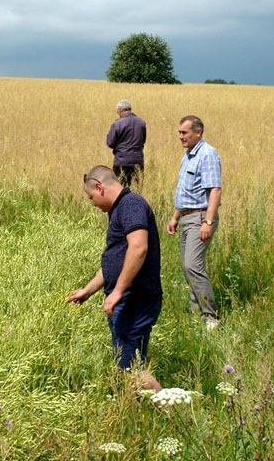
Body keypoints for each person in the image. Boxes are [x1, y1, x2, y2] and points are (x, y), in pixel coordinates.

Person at [68, 166, 163, 391]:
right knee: (126, 367)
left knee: (132, 368)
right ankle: (138, 414)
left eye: (91, 197)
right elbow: (117, 263)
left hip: (135, 299)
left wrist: (118, 291)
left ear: (99, 187)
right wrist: (87, 291)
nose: (92, 204)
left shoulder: (131, 205)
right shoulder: (120, 210)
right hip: (127, 299)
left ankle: (176, 416)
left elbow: (139, 248)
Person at [165, 115, 222, 330]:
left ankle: (211, 317)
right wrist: (175, 217)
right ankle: (196, 315)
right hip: (186, 216)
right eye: (179, 132)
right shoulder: (188, 156)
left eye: (184, 133)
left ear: (198, 133)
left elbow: (215, 190)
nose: (180, 137)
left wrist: (207, 221)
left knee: (193, 265)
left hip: (199, 217)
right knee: (188, 268)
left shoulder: (207, 154)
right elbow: (185, 191)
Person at [106, 99, 147, 187]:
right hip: (138, 161)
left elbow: (110, 143)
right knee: (137, 190)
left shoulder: (117, 124)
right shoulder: (141, 122)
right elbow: (143, 141)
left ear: (120, 111)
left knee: (119, 189)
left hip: (121, 161)